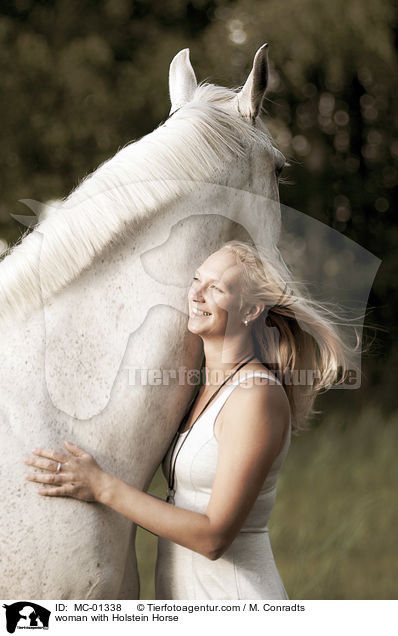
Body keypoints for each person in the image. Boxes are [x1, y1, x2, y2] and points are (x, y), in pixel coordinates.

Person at [24, 240, 353, 599]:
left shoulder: (255, 396)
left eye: (216, 288)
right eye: (197, 279)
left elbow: (213, 537)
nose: (196, 293)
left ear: (251, 310)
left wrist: (102, 487)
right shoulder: (200, 386)